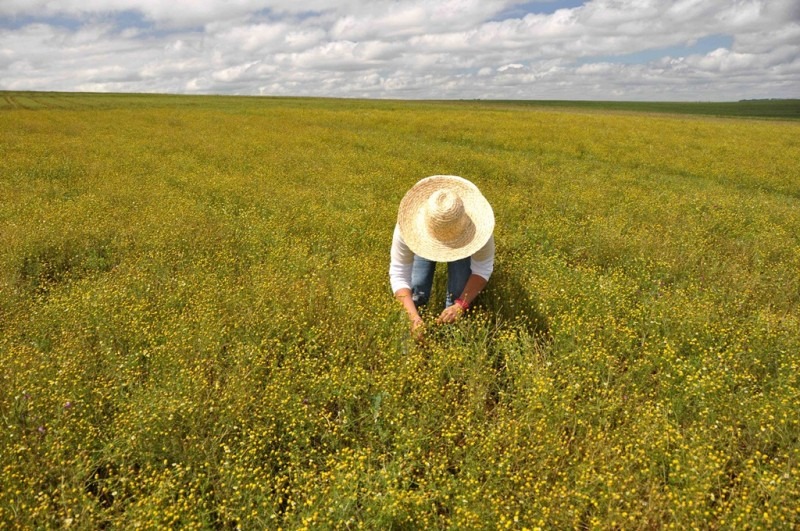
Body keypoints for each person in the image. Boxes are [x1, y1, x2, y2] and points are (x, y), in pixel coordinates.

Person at [389, 175, 495, 335]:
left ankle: (451, 334)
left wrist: (460, 305)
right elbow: (399, 273)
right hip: (428, 233)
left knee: (458, 291)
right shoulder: (407, 228)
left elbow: (483, 269)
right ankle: (415, 333)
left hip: (461, 234)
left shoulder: (480, 230)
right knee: (417, 290)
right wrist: (413, 318)